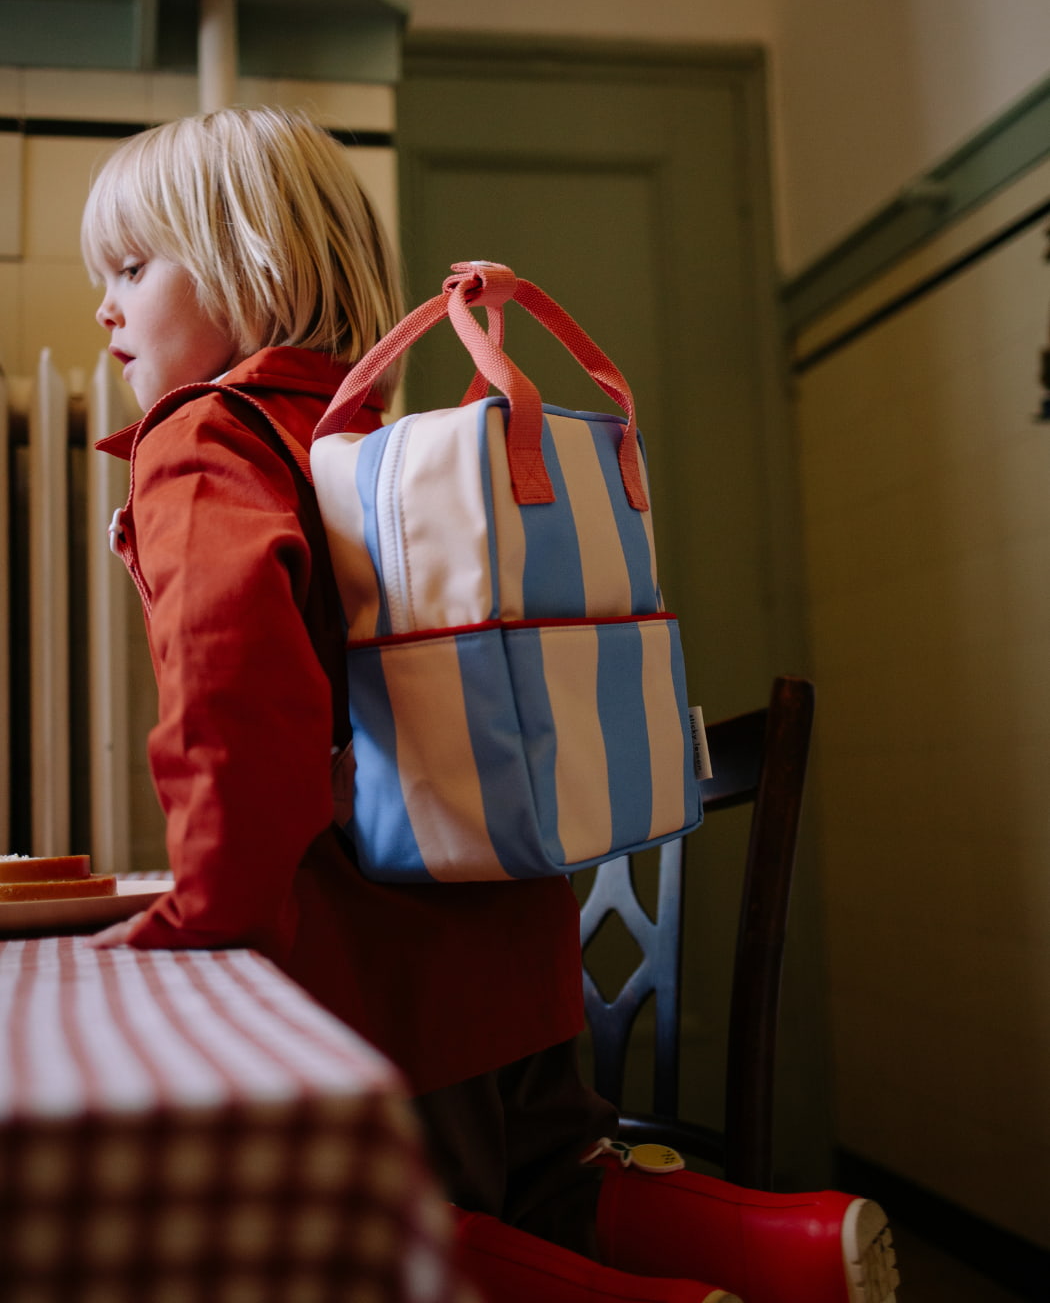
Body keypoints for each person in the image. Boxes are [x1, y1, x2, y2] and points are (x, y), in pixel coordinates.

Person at [82, 106, 898, 1303]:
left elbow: (229, 693)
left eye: (133, 266)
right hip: (516, 954)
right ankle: (789, 1244)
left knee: (390, 1241)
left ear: (253, 262)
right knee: (550, 1185)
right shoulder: (369, 444)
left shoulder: (208, 435)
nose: (106, 306)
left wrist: (212, 919)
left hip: (364, 981)